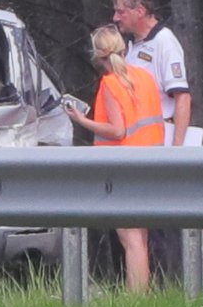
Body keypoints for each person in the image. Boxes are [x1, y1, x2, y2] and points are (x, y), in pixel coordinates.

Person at [64, 25, 164, 292]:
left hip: (124, 165)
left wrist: (83, 121)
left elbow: (118, 130)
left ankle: (136, 300)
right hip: (152, 161)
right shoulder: (144, 77)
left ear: (98, 55)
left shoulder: (110, 84)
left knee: (130, 238)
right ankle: (141, 295)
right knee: (139, 237)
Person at [111, 0, 192, 146]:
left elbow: (182, 96)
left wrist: (177, 149)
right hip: (137, 138)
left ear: (140, 11)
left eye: (121, 12)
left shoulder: (164, 42)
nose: (115, 18)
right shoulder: (132, 44)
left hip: (161, 137)